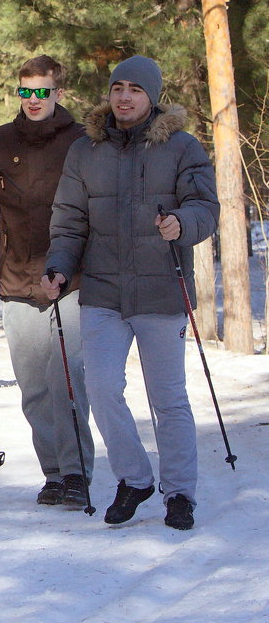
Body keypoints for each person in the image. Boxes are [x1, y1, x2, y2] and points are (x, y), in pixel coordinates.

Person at [44, 55, 218, 530]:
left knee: (169, 399)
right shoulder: (85, 150)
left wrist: (182, 223)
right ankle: (134, 478)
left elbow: (205, 207)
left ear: (152, 96)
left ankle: (179, 491)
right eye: (118, 87)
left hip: (162, 291)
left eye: (135, 90)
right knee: (100, 388)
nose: (124, 96)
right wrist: (59, 266)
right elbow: (69, 220)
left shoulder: (182, 147)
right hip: (103, 291)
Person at [0, 54, 94, 509]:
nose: (33, 100)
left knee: (67, 379)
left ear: (59, 93)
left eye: (42, 91)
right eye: (26, 91)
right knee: (34, 384)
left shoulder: (82, 140)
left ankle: (77, 472)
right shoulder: (0, 140)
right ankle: (53, 473)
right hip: (18, 277)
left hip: (70, 277)